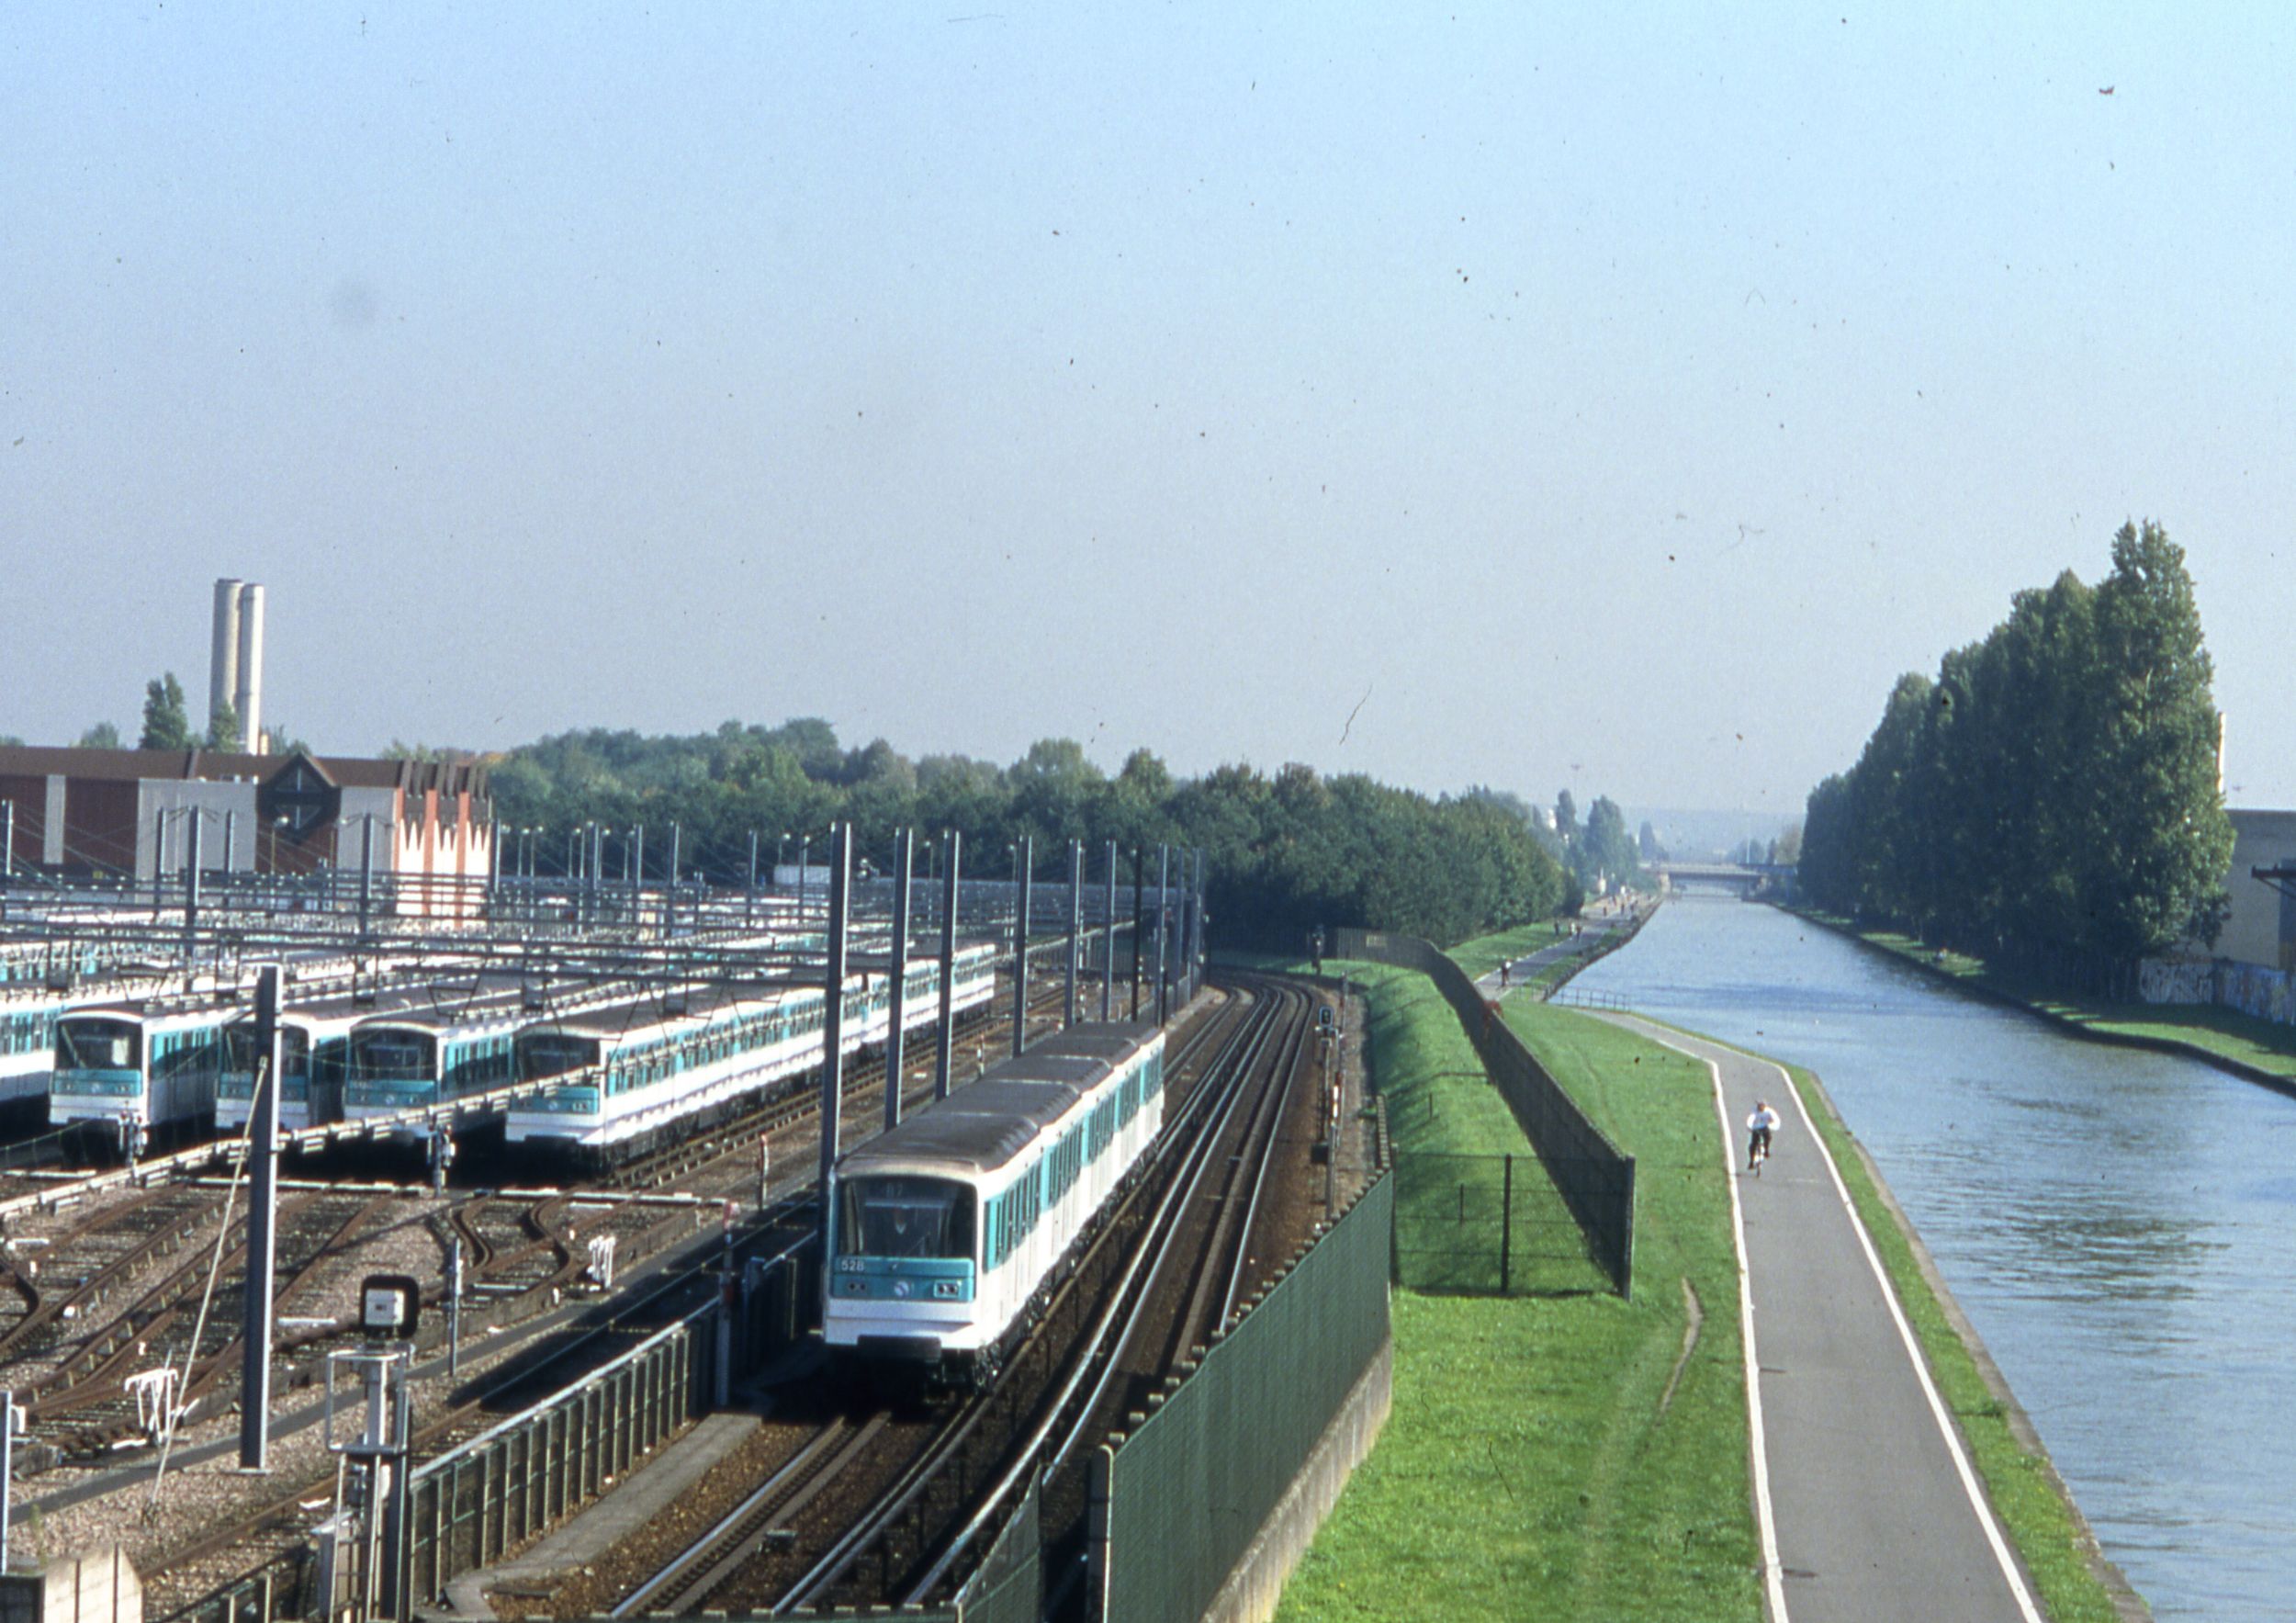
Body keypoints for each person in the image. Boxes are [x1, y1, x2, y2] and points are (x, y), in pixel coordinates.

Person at [1747, 1099, 1781, 1170]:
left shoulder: (1769, 1112)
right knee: (1753, 1144)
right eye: (1760, 1106)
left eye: (1762, 1106)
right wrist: (1750, 1127)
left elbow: (1776, 1120)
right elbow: (1750, 1120)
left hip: (1765, 1127)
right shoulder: (1754, 1112)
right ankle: (1751, 1161)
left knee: (1768, 1137)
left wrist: (1772, 1126)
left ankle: (1766, 1150)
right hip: (1756, 1128)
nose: (1761, 1107)